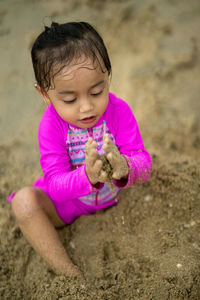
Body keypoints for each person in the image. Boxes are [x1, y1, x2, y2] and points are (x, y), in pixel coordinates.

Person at [7, 21, 152, 277]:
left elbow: (143, 162)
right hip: (69, 207)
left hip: (117, 200)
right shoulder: (51, 126)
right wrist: (88, 177)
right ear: (44, 94)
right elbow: (55, 186)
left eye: (97, 91)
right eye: (70, 99)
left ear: (107, 75)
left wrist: (125, 167)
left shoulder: (119, 111)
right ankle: (69, 274)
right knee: (23, 203)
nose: (86, 107)